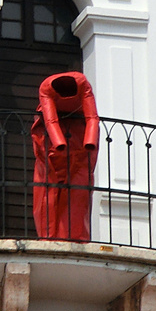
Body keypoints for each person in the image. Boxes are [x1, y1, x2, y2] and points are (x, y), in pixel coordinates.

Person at [31, 72, 99, 241]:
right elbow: (50, 121)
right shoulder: (47, 87)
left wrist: (89, 142)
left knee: (78, 192)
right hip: (51, 144)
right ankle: (49, 236)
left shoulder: (83, 84)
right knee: (49, 190)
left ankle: (75, 236)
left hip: (78, 138)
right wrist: (59, 142)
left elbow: (92, 118)